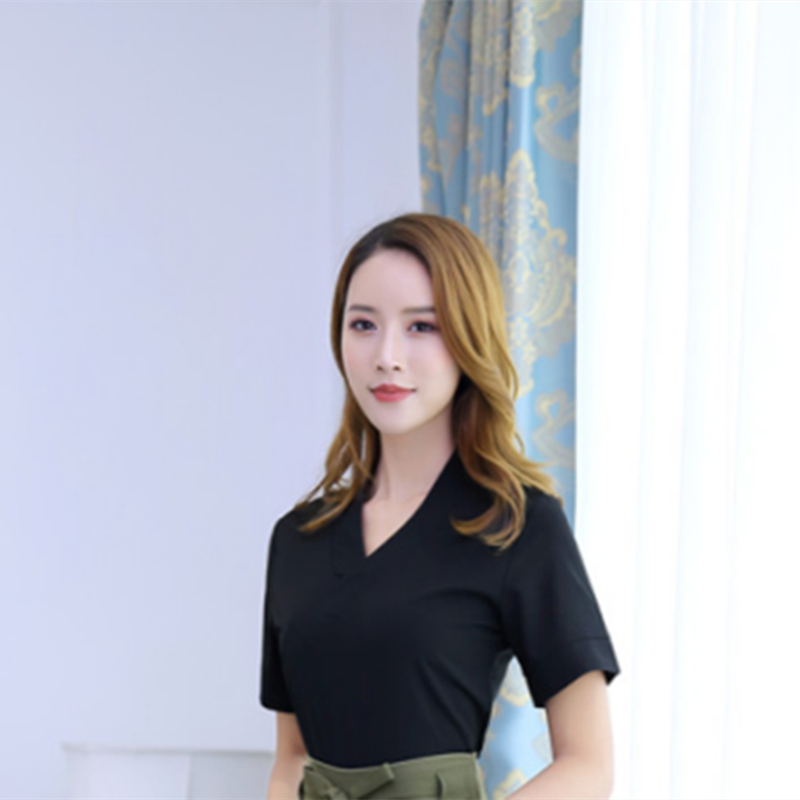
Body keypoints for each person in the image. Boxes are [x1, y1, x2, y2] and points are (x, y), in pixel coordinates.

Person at [260, 213, 620, 800]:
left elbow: (588, 765)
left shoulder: (518, 526)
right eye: (363, 324)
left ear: (468, 337)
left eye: (421, 326)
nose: (387, 356)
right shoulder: (297, 539)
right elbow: (291, 759)